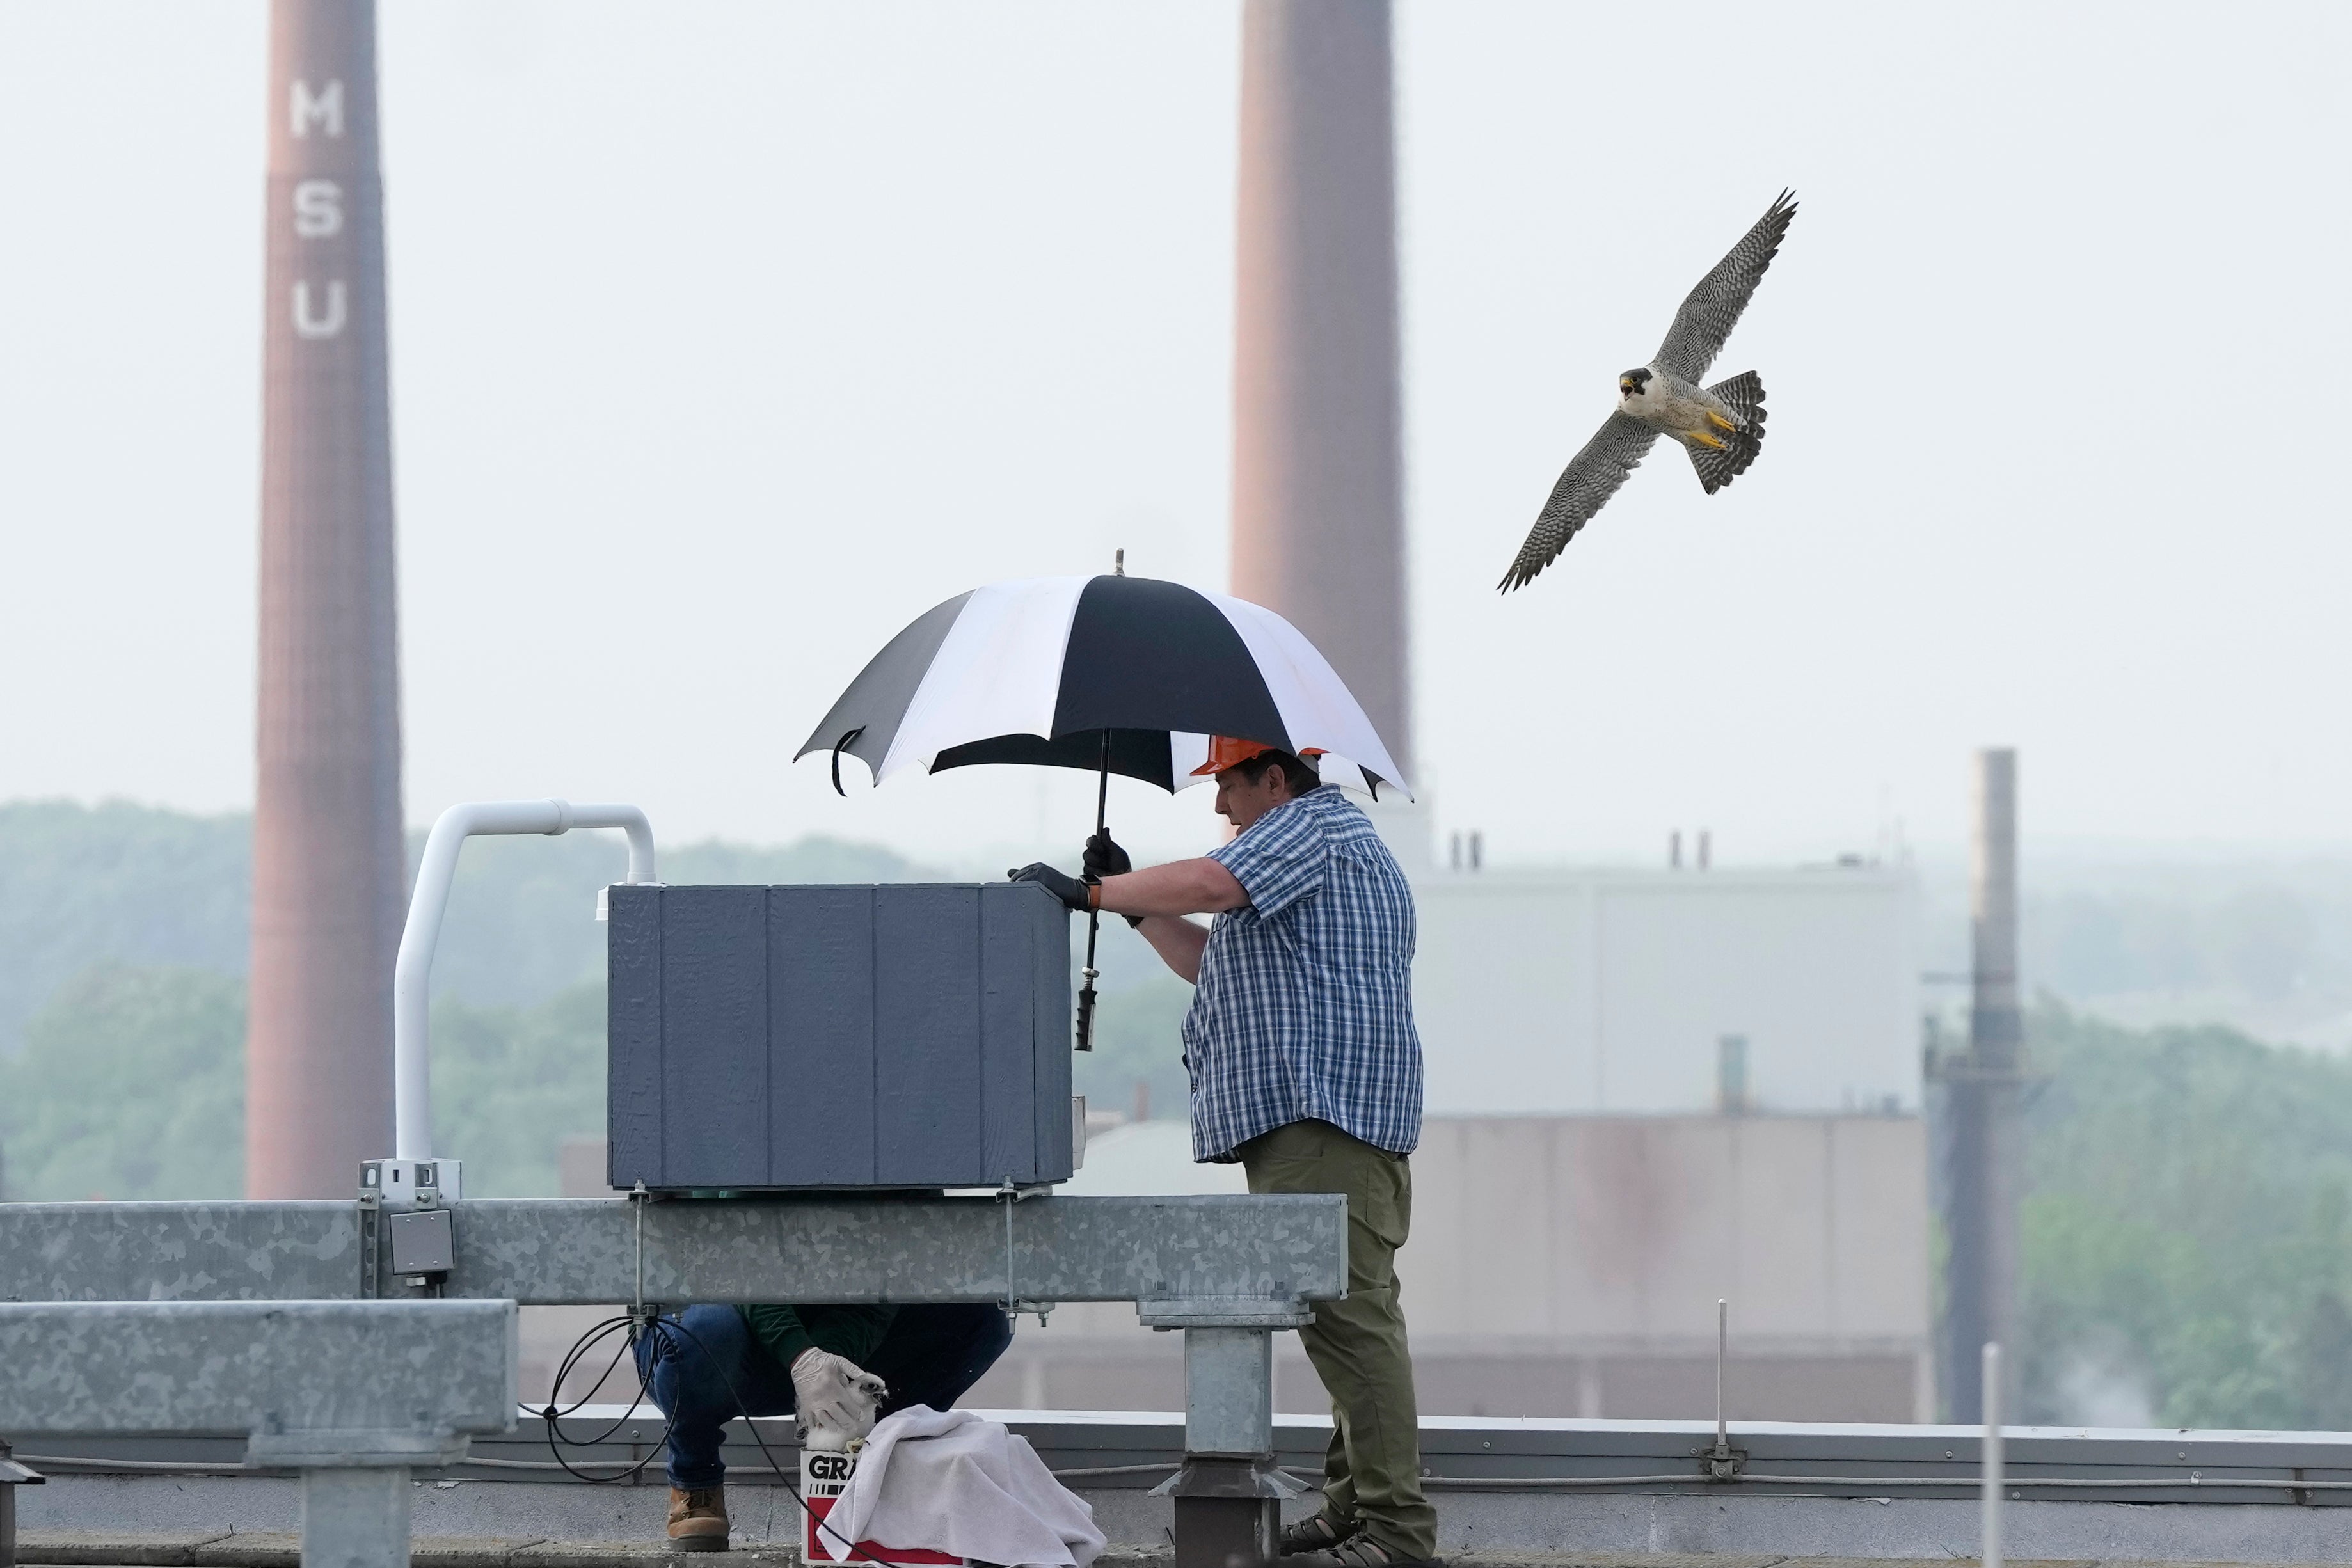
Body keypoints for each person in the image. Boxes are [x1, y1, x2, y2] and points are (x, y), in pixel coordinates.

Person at [1012, 737, 1437, 1568]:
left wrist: (1090, 890)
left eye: (1230, 785)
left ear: (1276, 778)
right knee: (1342, 1319)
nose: (1220, 806)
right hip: (1323, 1126)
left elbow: (1215, 878)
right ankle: (1357, 1506)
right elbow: (1216, 964)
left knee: (1352, 1329)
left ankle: (1396, 1532)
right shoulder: (1325, 848)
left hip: (1323, 1124)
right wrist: (1135, 906)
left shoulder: (1311, 830)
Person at [633, 1301, 1010, 1551]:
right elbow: (740, 1264)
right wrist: (800, 1355)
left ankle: (878, 1471)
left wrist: (831, 1365)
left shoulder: (901, 1177)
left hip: (820, 1337)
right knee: (705, 1328)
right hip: (718, 1333)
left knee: (979, 1315)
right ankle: (695, 1484)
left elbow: (886, 1275)